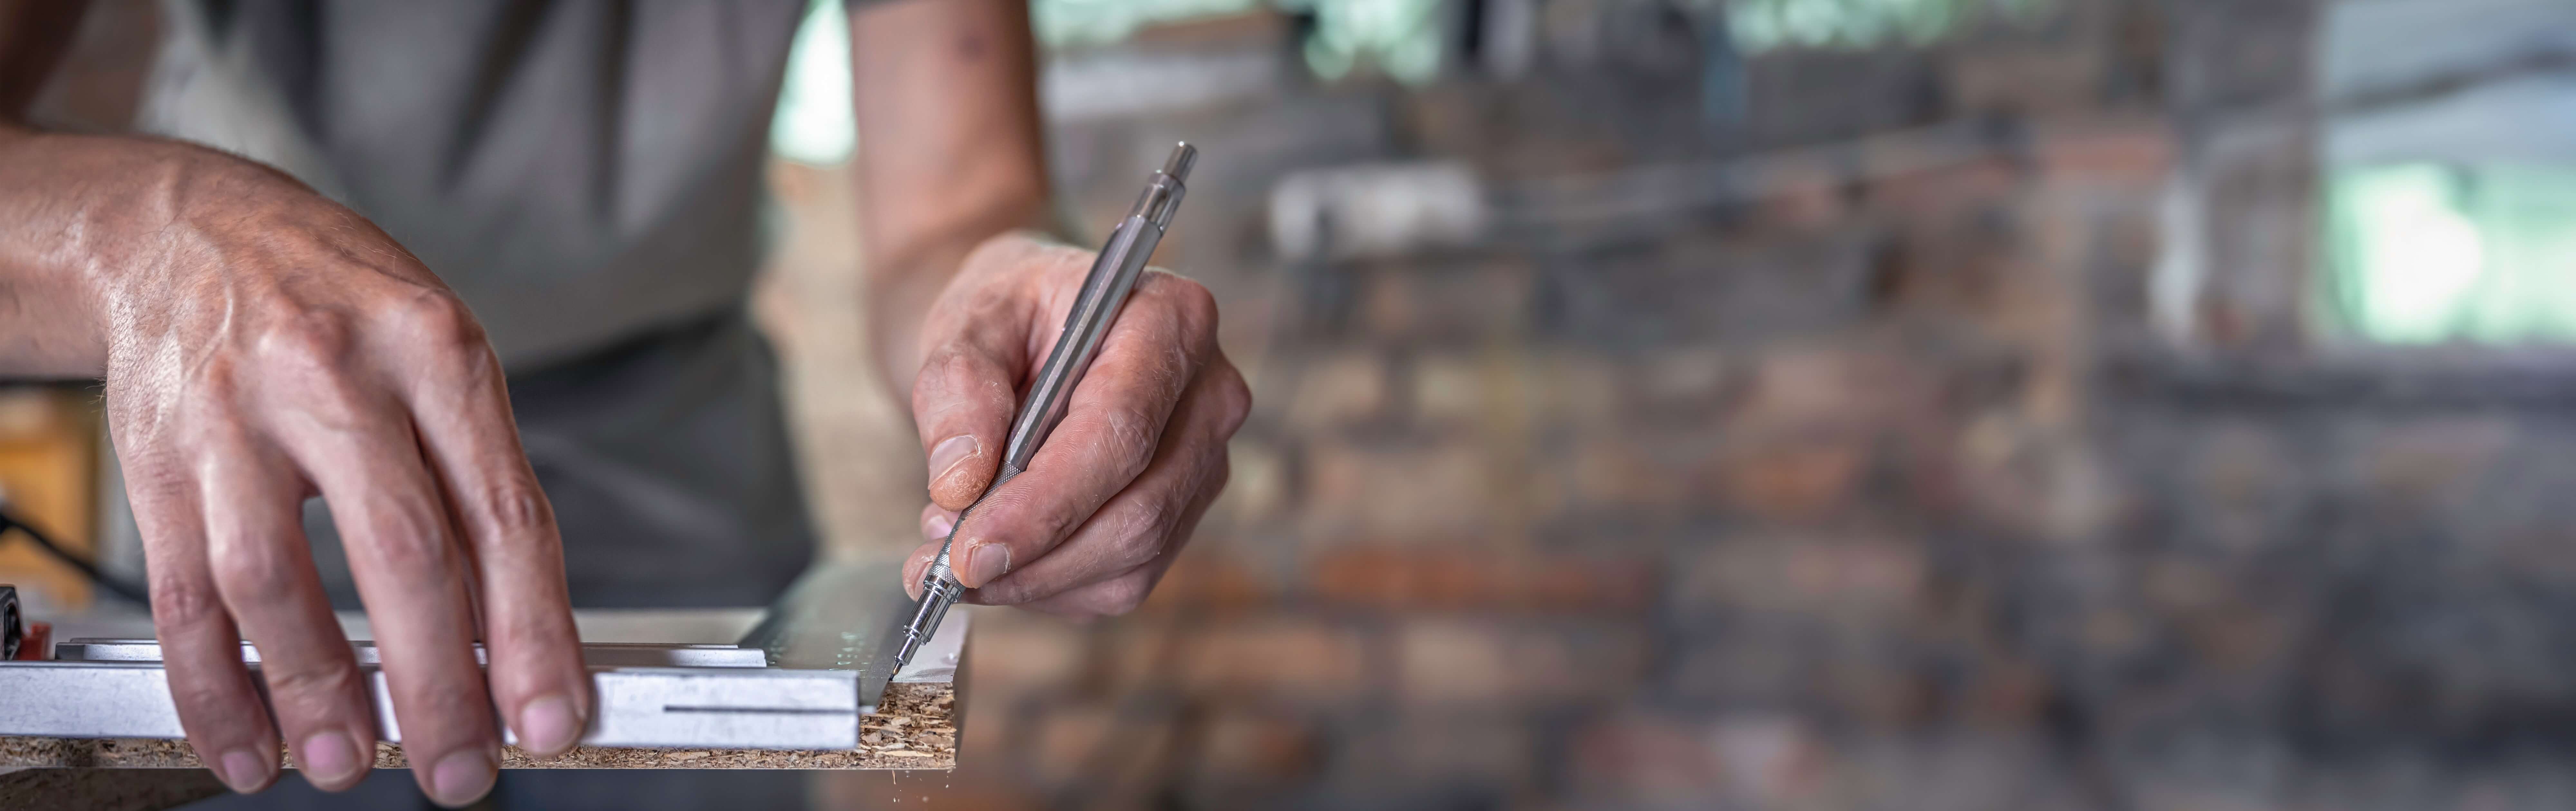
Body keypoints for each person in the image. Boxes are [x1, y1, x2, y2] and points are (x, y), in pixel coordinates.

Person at [0, 0, 1249, 806]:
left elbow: (948, 212)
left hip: (682, 461)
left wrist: (996, 290)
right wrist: (150, 240)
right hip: (270, 461)